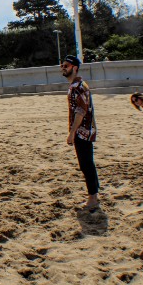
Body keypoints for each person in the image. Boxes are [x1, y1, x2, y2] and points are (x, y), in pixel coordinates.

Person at [61, 55, 100, 210]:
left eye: (66, 66)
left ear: (74, 68)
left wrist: (72, 133)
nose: (63, 68)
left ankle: (93, 198)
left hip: (82, 132)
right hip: (84, 130)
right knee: (86, 164)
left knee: (86, 164)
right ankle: (94, 194)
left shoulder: (78, 86)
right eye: (62, 66)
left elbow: (80, 112)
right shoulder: (76, 85)